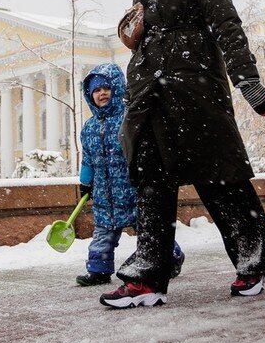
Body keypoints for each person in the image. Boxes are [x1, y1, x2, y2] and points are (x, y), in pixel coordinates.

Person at [100, 0, 265, 309]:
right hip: (150, 92)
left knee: (220, 178)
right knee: (150, 182)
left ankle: (252, 263)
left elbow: (225, 21)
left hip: (194, 88)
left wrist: (247, 81)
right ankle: (148, 277)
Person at [76, 63, 184, 288]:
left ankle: (170, 256)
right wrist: (85, 183)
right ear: (89, 95)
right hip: (104, 194)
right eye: (96, 90)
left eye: (106, 88)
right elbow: (88, 158)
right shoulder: (88, 128)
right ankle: (99, 270)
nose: (102, 93)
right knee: (103, 232)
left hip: (131, 187)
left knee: (148, 230)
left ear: (117, 88)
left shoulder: (129, 117)